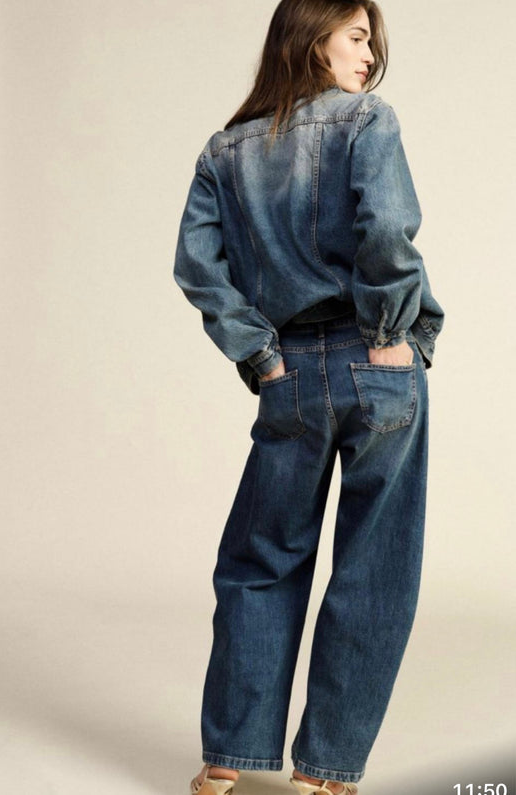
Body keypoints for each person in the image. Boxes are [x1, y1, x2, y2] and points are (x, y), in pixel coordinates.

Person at [173, 0, 445, 793]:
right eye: (357, 37)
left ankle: (227, 758)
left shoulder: (225, 150)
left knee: (260, 559)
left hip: (288, 374)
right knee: (373, 568)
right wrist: (391, 330)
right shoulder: (366, 121)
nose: (370, 56)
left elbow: (198, 268)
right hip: (374, 361)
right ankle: (323, 774)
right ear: (310, 36)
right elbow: (385, 229)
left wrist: (261, 356)